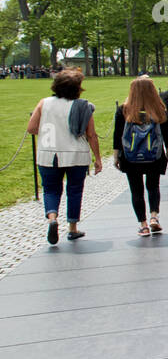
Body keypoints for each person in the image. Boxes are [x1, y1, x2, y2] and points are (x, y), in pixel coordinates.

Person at [27, 68, 102, 244]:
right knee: (75, 190)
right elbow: (91, 134)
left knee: (51, 189)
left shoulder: (44, 103)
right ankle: (73, 227)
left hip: (48, 153)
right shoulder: (83, 105)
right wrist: (97, 158)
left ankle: (52, 217)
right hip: (76, 154)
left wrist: (47, 133)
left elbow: (31, 128)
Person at [113, 76, 168, 236]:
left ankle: (143, 224)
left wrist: (116, 155)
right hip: (154, 153)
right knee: (153, 186)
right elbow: (166, 133)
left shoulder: (124, 110)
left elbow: (117, 135)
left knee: (136, 190)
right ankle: (154, 216)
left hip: (131, 155)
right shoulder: (159, 109)